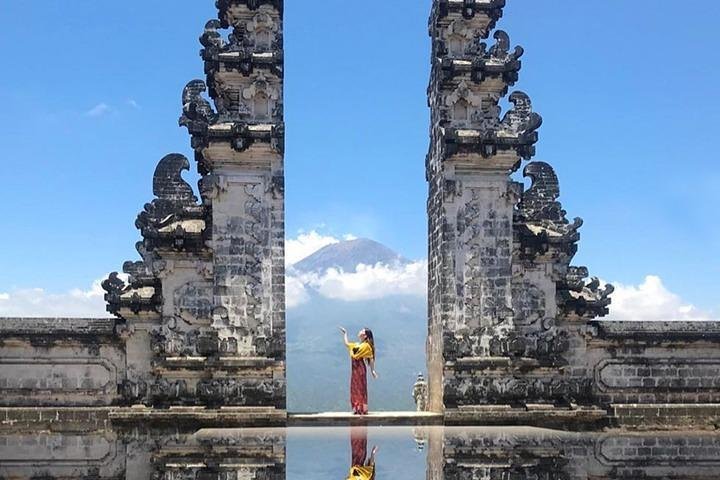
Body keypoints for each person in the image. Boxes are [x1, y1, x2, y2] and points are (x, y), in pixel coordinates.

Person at [339, 327, 378, 415]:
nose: (360, 331)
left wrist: (373, 371)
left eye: (362, 331)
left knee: (360, 388)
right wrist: (345, 334)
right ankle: (356, 408)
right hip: (354, 369)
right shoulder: (357, 345)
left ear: (365, 336)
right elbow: (347, 344)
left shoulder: (366, 346)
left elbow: (371, 358)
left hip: (360, 368)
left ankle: (361, 408)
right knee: (354, 388)